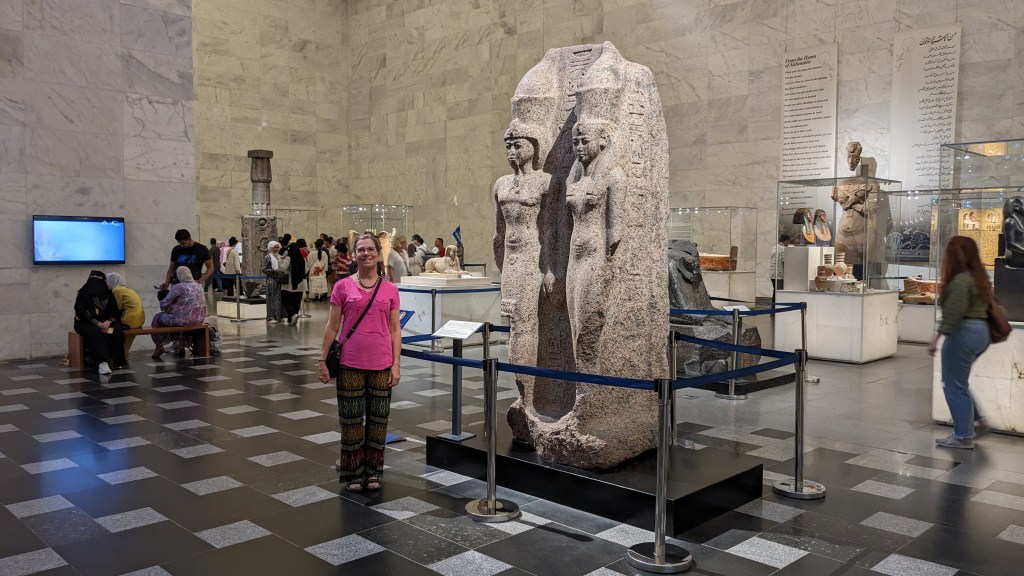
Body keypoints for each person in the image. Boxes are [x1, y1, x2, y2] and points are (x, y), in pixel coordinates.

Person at [318, 233, 401, 492]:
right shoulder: (342, 286)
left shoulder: (390, 289)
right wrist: (322, 360)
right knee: (351, 422)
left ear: (378, 254)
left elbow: (395, 329)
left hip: (381, 364)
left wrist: (396, 365)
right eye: (361, 250)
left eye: (371, 249)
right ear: (354, 255)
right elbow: (332, 326)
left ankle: (373, 471)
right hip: (350, 364)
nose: (366, 254)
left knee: (378, 422)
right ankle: (353, 472)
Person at [929, 236, 992, 449]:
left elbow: (953, 314)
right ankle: (976, 420)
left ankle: (963, 436)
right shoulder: (978, 278)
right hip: (980, 333)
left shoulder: (960, 281)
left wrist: (936, 339)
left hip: (963, 333)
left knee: (953, 385)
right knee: (959, 382)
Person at [74, 270, 126, 374]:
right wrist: (97, 323)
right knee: (96, 333)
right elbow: (80, 312)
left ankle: (115, 361)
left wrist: (109, 322)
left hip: (105, 323)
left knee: (117, 331)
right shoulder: (83, 293)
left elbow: (115, 311)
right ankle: (102, 363)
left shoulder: (108, 294)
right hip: (86, 323)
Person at [151, 267, 207, 359]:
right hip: (199, 320)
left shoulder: (179, 287)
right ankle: (181, 345)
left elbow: (163, 304)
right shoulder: (199, 286)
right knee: (180, 318)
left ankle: (159, 347)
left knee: (157, 318)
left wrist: (162, 293)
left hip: (182, 320)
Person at [105, 272, 145, 361]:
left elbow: (118, 307)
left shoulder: (116, 290)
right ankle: (124, 355)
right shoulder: (128, 289)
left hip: (129, 319)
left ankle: (113, 356)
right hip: (139, 319)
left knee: (110, 329)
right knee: (127, 337)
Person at [281, 241, 306, 324]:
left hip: (290, 283)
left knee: (285, 299)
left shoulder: (288, 258)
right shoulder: (303, 258)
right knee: (296, 302)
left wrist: (281, 260)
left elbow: (283, 268)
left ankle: (293, 314)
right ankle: (291, 319)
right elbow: (306, 270)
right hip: (301, 283)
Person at [263, 240, 287, 322]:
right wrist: (274, 270)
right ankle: (271, 317)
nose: (277, 249)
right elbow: (264, 269)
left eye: (278, 247)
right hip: (271, 280)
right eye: (275, 247)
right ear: (271, 248)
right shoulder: (268, 257)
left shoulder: (279, 256)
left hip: (280, 280)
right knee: (271, 298)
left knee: (279, 299)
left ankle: (279, 316)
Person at [769, 234, 791, 302]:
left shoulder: (773, 248)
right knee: (778, 292)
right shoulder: (783, 249)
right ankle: (776, 307)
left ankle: (773, 307)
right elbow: (784, 261)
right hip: (779, 274)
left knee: (775, 291)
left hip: (772, 273)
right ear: (786, 240)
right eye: (788, 241)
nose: (788, 243)